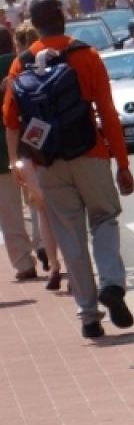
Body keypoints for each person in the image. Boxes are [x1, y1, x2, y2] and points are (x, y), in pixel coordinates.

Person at [4, 0, 134, 338]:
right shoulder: (86, 55)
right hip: (89, 153)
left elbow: (11, 120)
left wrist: (18, 163)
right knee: (104, 217)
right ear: (62, 17)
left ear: (32, 24)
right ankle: (112, 284)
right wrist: (121, 163)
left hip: (47, 161)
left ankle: (89, 316)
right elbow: (107, 112)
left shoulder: (21, 64)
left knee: (69, 233)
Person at [8, 22, 61, 291]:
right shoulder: (53, 60)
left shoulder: (17, 70)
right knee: (62, 208)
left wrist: (11, 157)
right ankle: (70, 264)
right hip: (52, 146)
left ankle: (42, 264)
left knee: (32, 208)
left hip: (22, 149)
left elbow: (10, 121)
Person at [0, 27, 39, 281]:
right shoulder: (22, 63)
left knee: (10, 211)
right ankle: (45, 245)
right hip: (29, 142)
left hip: (1, 155)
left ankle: (24, 262)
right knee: (38, 201)